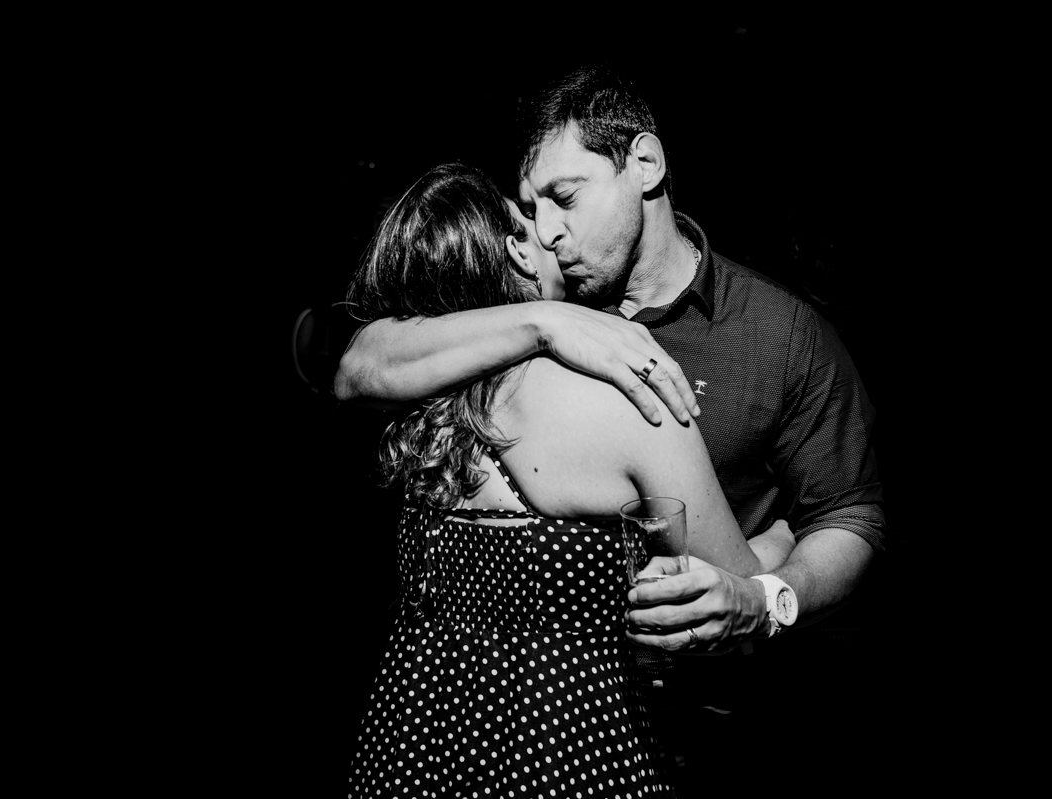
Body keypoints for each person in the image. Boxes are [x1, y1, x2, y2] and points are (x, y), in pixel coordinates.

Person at [335, 65, 885, 796]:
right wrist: (547, 319)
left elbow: (850, 512)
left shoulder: (782, 334)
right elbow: (358, 361)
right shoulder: (530, 332)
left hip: (722, 717)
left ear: (646, 165)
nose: (548, 232)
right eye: (529, 215)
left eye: (564, 198)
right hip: (588, 733)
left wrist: (773, 589)